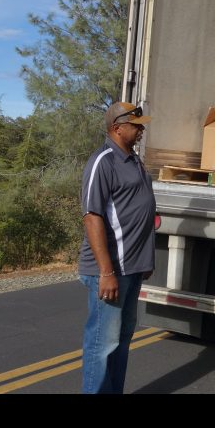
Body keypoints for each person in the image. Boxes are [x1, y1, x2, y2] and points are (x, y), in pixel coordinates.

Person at [78, 102, 156, 394]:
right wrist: (106, 272)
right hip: (111, 270)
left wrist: (145, 259)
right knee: (102, 344)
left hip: (132, 268)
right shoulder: (103, 161)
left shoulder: (133, 159)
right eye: (136, 126)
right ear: (117, 128)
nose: (141, 130)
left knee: (121, 341)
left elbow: (137, 208)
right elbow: (92, 217)